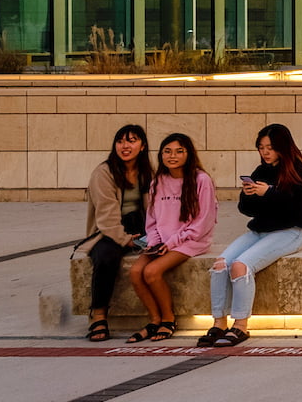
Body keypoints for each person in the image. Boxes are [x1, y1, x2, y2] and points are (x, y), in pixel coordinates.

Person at [196, 123, 302, 349]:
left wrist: (269, 193)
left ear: (283, 147)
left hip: (290, 231)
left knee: (240, 266)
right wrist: (250, 195)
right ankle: (219, 323)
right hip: (259, 230)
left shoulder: (299, 172)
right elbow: (246, 209)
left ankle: (240, 325)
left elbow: (297, 208)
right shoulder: (261, 171)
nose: (265, 152)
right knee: (221, 264)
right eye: (261, 148)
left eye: (270, 147)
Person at [122, 133, 216, 343]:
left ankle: (168, 320)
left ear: (188, 154)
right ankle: (154, 320)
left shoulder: (201, 180)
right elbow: (152, 220)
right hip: (162, 242)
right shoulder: (158, 182)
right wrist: (155, 242)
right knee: (136, 272)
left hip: (190, 241)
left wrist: (171, 243)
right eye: (167, 151)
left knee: (152, 272)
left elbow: (203, 222)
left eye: (179, 151)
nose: (172, 156)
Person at [80, 124, 153, 342]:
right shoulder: (103, 173)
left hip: (140, 226)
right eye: (120, 141)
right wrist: (125, 240)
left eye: (131, 140)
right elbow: (106, 217)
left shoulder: (147, 172)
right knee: (106, 257)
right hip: (110, 230)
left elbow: (155, 208)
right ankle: (99, 315)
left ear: (142, 146)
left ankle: (159, 317)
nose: (125, 146)